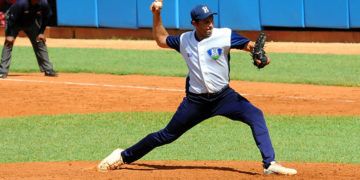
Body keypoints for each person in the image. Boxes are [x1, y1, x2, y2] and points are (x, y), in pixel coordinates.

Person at [97, 2, 297, 175]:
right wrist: (156, 15)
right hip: (196, 102)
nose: (209, 23)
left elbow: (249, 45)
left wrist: (260, 54)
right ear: (195, 23)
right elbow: (160, 39)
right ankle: (122, 156)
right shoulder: (185, 40)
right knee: (166, 135)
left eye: (211, 19)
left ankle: (269, 163)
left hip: (224, 97)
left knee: (255, 115)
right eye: (205, 21)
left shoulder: (224, 35)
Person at [0, 0, 57, 78]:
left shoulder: (43, 3)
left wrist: (41, 32)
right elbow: (11, 19)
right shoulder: (21, 3)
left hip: (31, 23)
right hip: (15, 23)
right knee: (8, 43)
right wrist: (10, 35)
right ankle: (3, 71)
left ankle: (48, 69)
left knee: (39, 41)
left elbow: (47, 15)